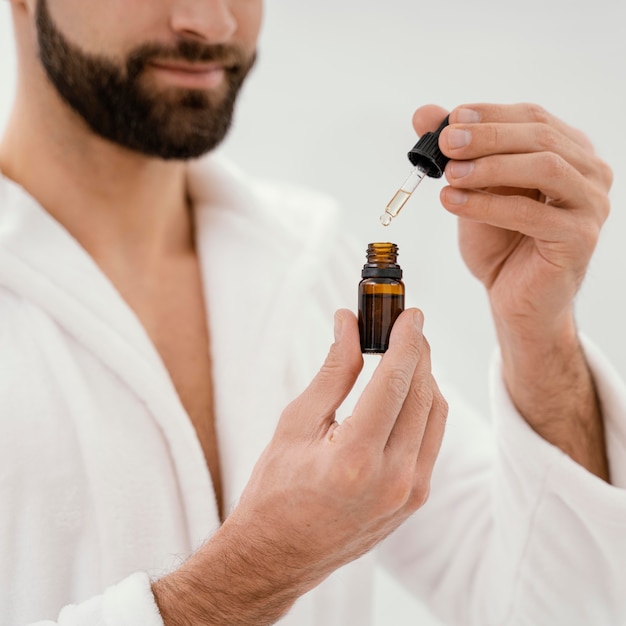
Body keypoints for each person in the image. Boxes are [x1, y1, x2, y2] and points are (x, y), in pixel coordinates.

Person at [0, 1, 625, 625]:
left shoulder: (306, 259)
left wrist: (538, 334)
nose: (212, 22)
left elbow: (557, 606)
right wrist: (255, 573)